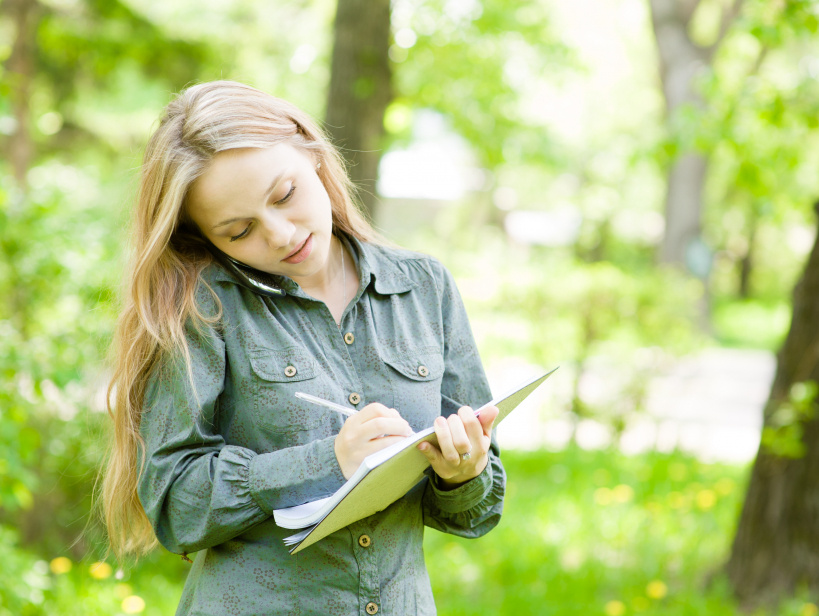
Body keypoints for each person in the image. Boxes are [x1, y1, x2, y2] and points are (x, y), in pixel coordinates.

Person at [102, 80, 505, 616]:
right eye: (239, 230)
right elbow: (175, 507)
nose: (280, 234)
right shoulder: (199, 309)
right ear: (205, 238)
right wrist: (329, 460)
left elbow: (478, 512)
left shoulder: (423, 287)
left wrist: (464, 473)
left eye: (285, 195)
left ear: (312, 152)